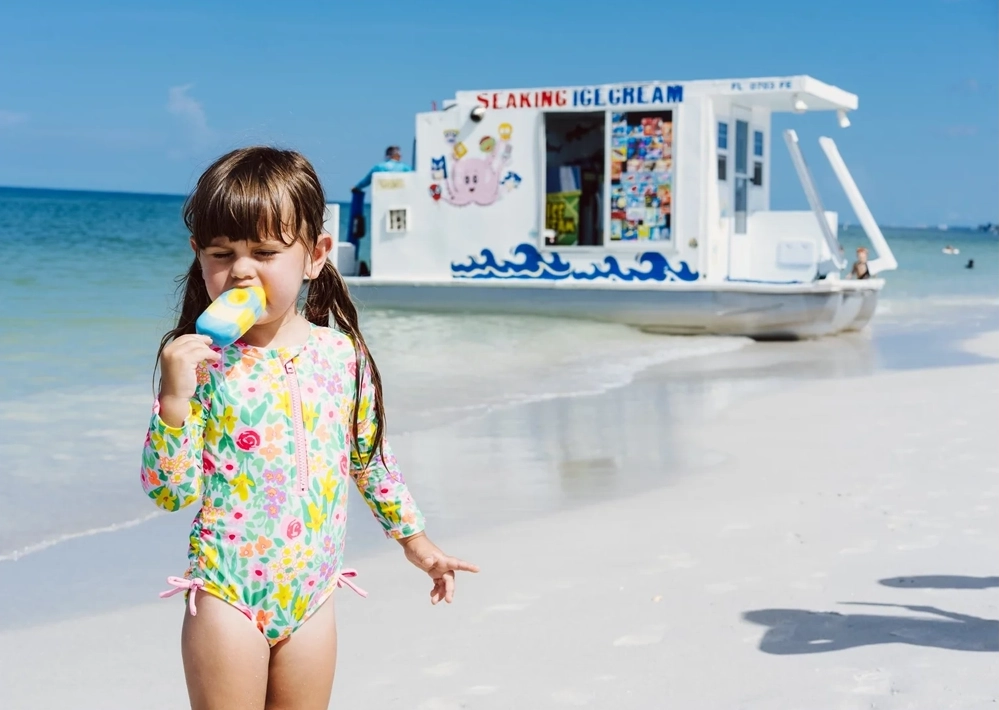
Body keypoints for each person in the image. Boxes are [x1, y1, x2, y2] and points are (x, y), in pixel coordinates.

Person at [141, 146, 478, 710]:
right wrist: (174, 397)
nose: (242, 270)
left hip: (315, 595)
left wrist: (416, 544)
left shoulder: (340, 355)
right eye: (222, 253)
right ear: (198, 256)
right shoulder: (200, 364)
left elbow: (369, 459)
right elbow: (171, 494)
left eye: (266, 252)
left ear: (316, 255)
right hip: (229, 592)